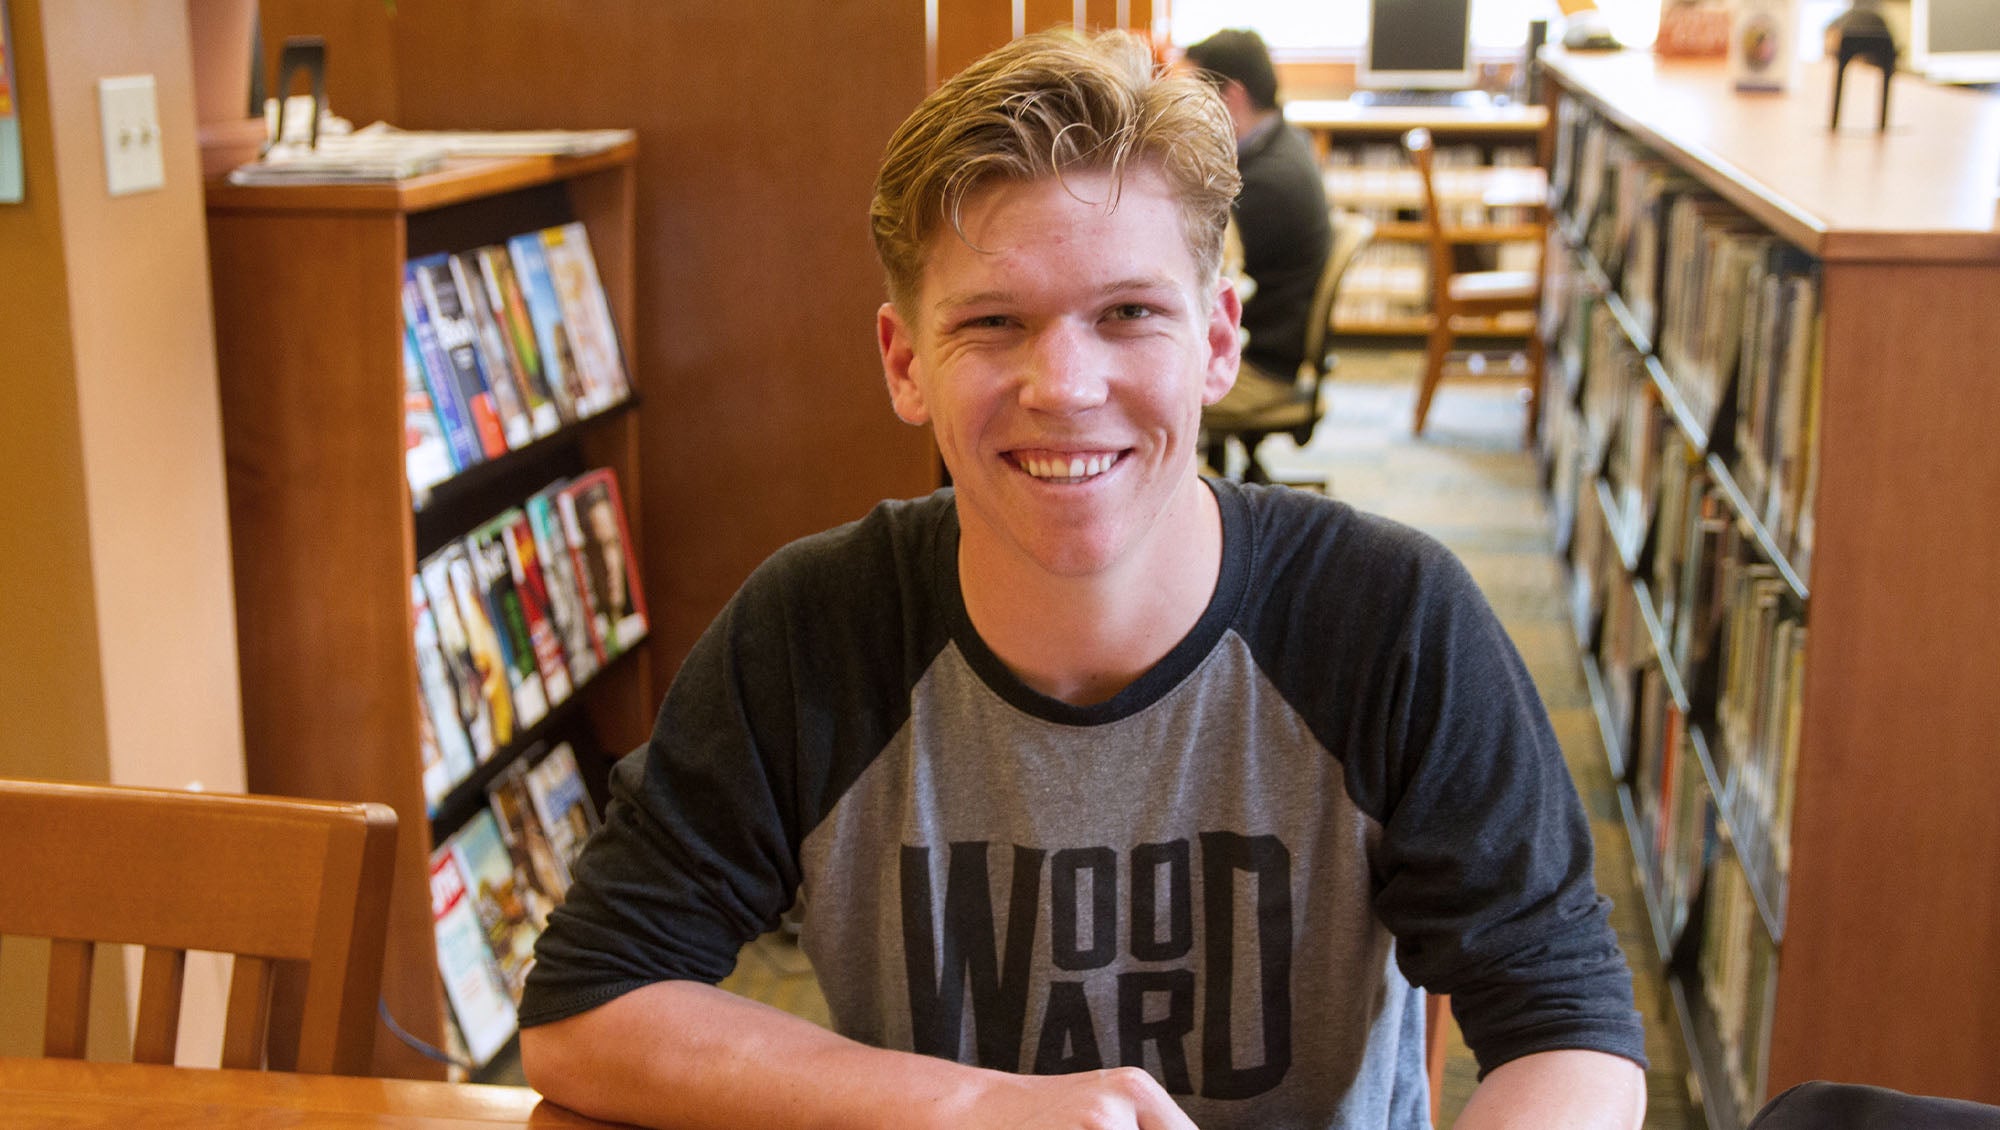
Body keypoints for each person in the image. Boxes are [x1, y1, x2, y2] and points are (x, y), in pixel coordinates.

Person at [518, 28, 1647, 1130]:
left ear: (1216, 340)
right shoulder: (813, 626)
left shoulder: (1392, 618)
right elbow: (586, 1005)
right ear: (905, 362)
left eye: (1127, 313)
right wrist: (967, 1103)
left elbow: (1570, 1032)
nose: (1063, 383)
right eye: (993, 322)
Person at [1180, 29, 1332, 398]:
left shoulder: (1267, 183)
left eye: (1192, 97)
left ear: (1231, 97)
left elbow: (1188, 261)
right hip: (1265, 340)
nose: (1184, 111)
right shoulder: (1287, 141)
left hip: (1259, 362)